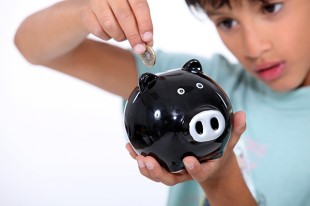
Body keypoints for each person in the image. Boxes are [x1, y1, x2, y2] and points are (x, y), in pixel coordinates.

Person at [14, 0, 310, 205]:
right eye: (227, 21)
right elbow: (32, 48)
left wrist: (220, 178)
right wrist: (86, 11)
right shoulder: (201, 83)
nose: (255, 47)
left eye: (271, 7)